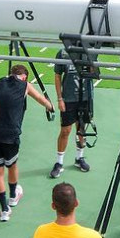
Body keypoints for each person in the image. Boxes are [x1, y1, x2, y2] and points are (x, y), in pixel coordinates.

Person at [0, 65, 54, 222]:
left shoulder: (0, 81)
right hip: (10, 135)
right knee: (13, 165)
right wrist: (51, 107)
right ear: (25, 77)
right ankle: (13, 196)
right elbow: (41, 99)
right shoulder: (25, 85)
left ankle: (4, 210)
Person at [51, 51, 93, 179]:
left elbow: (95, 74)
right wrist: (59, 99)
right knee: (65, 131)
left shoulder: (89, 52)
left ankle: (79, 158)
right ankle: (59, 162)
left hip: (84, 98)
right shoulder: (63, 53)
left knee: (81, 129)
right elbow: (57, 76)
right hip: (68, 99)